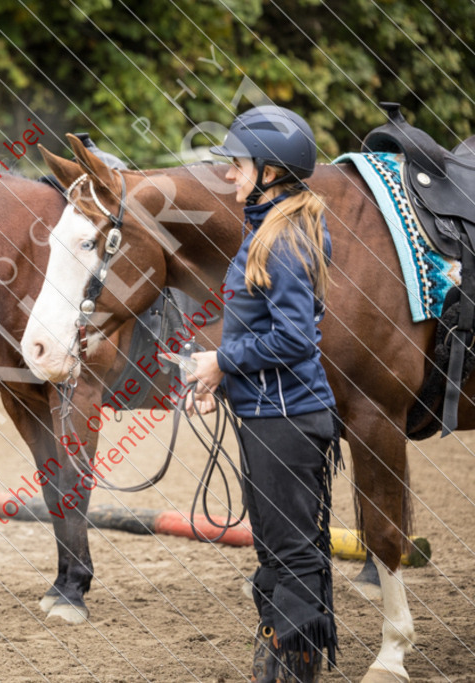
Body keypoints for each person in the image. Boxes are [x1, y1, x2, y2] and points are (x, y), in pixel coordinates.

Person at [186, 105, 338, 682]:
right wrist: (220, 374)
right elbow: (265, 329)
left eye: (239, 164)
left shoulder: (284, 239)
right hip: (271, 413)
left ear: (272, 170)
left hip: (288, 418)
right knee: (278, 547)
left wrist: (222, 358)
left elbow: (295, 339)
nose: (230, 174)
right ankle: (283, 650)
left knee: (292, 550)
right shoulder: (269, 226)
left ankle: (294, 666)